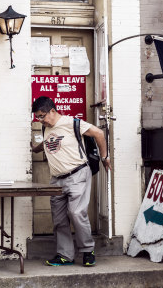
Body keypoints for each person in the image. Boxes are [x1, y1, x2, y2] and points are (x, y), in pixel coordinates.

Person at [30, 96, 111, 267]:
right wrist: (34, 148)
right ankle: (65, 255)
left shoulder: (72, 123)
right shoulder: (46, 128)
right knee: (59, 218)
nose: (41, 120)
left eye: (42, 116)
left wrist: (105, 157)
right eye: (38, 117)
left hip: (77, 175)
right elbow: (46, 144)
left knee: (76, 213)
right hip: (56, 180)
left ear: (53, 110)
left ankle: (88, 251)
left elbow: (99, 133)